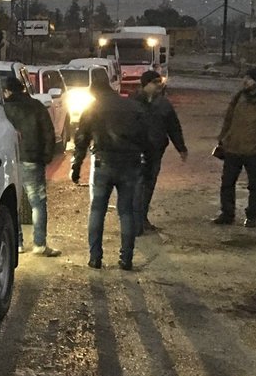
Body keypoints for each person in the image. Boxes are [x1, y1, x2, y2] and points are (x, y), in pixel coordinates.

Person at [71, 75, 150, 270]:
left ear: (94, 92)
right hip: (130, 164)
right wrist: (145, 163)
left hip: (103, 164)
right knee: (126, 211)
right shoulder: (132, 107)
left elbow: (81, 139)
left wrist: (76, 166)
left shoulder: (92, 109)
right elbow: (146, 138)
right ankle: (126, 259)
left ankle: (95, 257)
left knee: (97, 209)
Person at [1, 76, 61, 257]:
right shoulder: (37, 106)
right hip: (32, 159)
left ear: (7, 91)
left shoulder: (4, 109)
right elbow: (49, 133)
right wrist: (46, 157)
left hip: (10, 161)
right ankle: (39, 244)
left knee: (15, 203)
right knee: (37, 202)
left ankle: (18, 243)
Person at [213, 68, 256, 228]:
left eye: (248, 79)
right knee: (227, 183)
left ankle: (251, 216)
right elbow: (229, 118)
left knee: (254, 186)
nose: (244, 81)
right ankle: (227, 213)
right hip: (233, 149)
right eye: (245, 78)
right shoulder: (240, 97)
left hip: (254, 152)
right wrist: (223, 138)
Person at [129, 69, 188, 233]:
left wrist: (181, 148)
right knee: (136, 187)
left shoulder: (163, 104)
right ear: (145, 84)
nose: (158, 86)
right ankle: (135, 222)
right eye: (154, 83)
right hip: (135, 153)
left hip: (154, 153)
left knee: (148, 186)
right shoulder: (132, 102)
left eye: (159, 82)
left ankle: (142, 218)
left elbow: (173, 127)